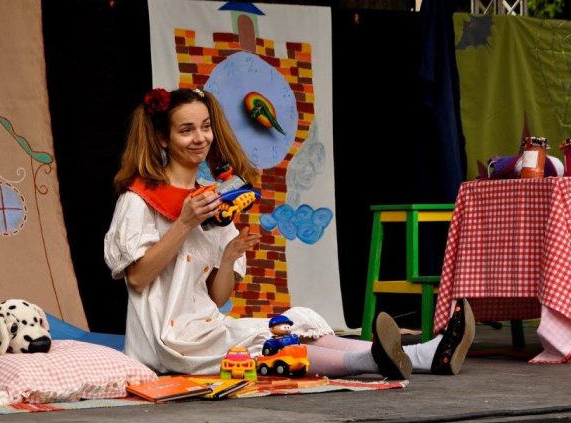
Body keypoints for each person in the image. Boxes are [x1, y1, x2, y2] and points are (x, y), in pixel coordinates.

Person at [103, 87, 474, 379]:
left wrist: (228, 258)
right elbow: (137, 278)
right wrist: (184, 223)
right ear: (162, 138)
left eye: (205, 126)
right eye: (186, 130)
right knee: (272, 343)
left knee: (291, 325)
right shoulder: (139, 200)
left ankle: (423, 355)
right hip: (169, 342)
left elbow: (216, 298)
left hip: (205, 326)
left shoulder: (213, 200)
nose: (200, 138)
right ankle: (378, 360)